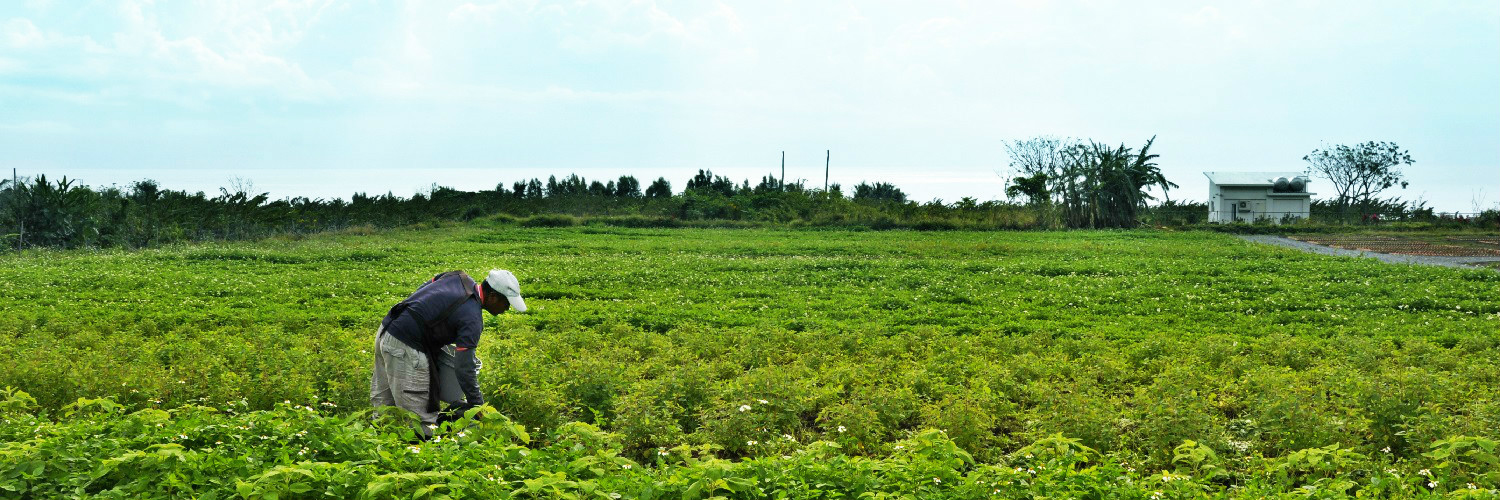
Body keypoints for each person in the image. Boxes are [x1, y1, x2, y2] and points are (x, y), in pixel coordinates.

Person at [370, 269, 526, 435]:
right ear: (493, 296)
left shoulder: (457, 277)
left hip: (387, 329)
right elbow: (464, 367)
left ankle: (376, 441)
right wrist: (477, 405)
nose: (507, 308)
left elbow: (422, 293)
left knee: (383, 406)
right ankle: (419, 448)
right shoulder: (472, 319)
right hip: (406, 347)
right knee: (421, 421)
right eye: (506, 303)